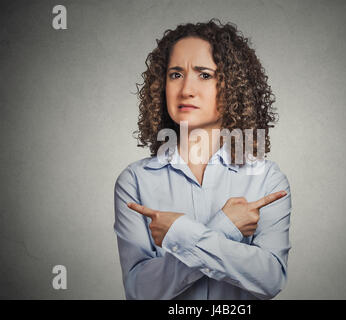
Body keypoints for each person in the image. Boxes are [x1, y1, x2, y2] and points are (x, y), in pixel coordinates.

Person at [113, 18, 292, 300]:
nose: (186, 90)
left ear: (232, 86)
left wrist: (180, 234)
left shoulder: (267, 179)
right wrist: (226, 228)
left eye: (204, 74)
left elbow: (270, 279)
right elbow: (140, 291)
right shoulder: (135, 181)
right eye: (175, 74)